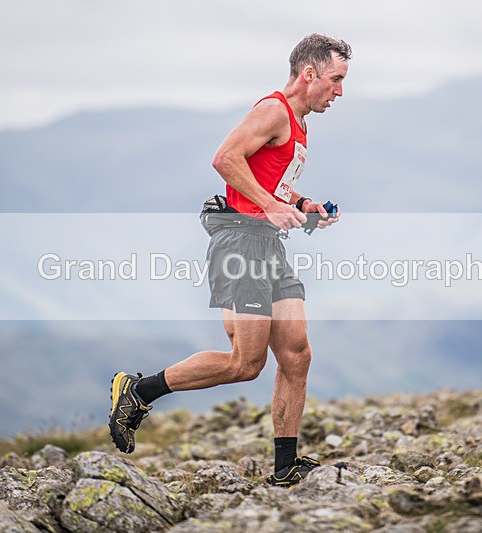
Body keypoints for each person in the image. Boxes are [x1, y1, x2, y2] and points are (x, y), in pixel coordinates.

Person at [109, 33, 351, 488]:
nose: (340, 91)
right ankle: (138, 391)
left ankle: (285, 466)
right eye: (336, 80)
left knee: (297, 353)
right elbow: (224, 159)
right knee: (246, 363)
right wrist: (273, 206)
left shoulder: (299, 122)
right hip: (241, 244)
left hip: (266, 244)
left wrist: (303, 206)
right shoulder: (274, 110)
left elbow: (267, 182)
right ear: (309, 74)